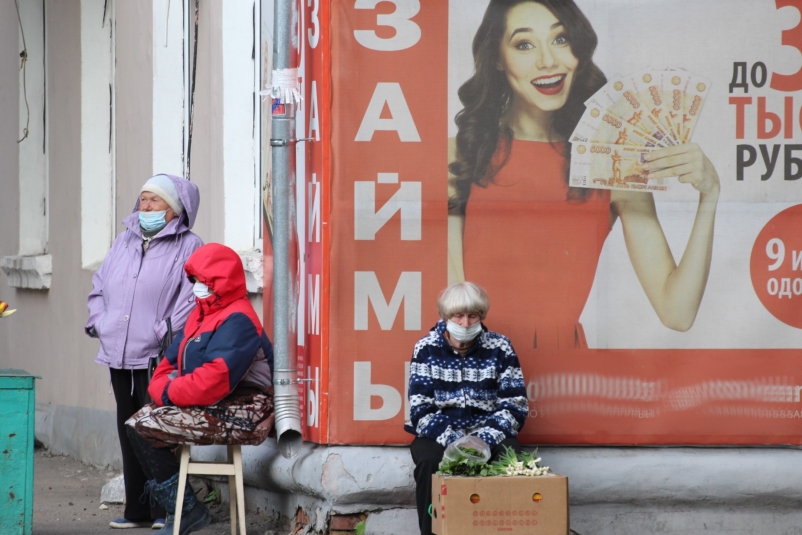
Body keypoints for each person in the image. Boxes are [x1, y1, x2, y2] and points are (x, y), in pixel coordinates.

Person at [448, 0, 720, 351]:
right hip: (475, 360)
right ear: (498, 58)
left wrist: (710, 195)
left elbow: (677, 313)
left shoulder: (614, 163)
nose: (548, 61)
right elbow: (448, 293)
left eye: (560, 39)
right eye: (525, 44)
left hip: (566, 368)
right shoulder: (459, 155)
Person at [125, 243, 275, 535]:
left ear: (221, 281)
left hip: (247, 410)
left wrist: (168, 392)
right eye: (194, 279)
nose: (196, 286)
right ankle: (183, 509)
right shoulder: (201, 313)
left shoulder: (239, 319)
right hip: (218, 402)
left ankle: (186, 511)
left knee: (144, 427)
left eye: (203, 280)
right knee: (136, 423)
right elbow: (166, 365)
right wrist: (165, 389)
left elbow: (213, 380)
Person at [86, 174, 202, 529]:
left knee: (155, 431)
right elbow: (100, 285)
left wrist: (162, 332)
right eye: (143, 199)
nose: (145, 207)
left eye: (154, 200)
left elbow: (190, 298)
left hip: (156, 355)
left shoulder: (189, 245)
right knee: (128, 428)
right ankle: (136, 509)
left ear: (174, 209)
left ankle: (165, 510)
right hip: (118, 350)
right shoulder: (125, 240)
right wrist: (100, 322)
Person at [404, 282, 528, 535]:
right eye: (458, 316)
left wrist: (481, 441)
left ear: (481, 316)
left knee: (512, 456)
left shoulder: (500, 347)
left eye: (473, 316)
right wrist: (456, 443)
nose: (465, 323)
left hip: (488, 432)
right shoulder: (426, 347)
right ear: (445, 316)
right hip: (439, 434)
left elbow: (514, 404)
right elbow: (420, 408)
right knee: (428, 461)